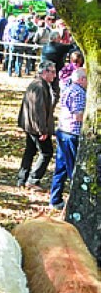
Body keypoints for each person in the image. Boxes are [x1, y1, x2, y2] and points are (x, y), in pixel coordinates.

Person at [49, 67, 87, 210]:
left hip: (63, 130)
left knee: (62, 166)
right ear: (82, 79)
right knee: (72, 169)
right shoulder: (79, 92)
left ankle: (55, 198)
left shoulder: (68, 88)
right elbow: (78, 116)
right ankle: (75, 203)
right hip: (71, 133)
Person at [17, 61, 56, 188]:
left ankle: (22, 178)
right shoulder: (39, 86)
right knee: (46, 152)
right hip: (35, 126)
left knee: (30, 150)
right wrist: (42, 130)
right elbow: (39, 110)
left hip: (30, 125)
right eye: (53, 72)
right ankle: (33, 179)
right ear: (45, 72)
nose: (55, 75)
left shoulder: (38, 84)